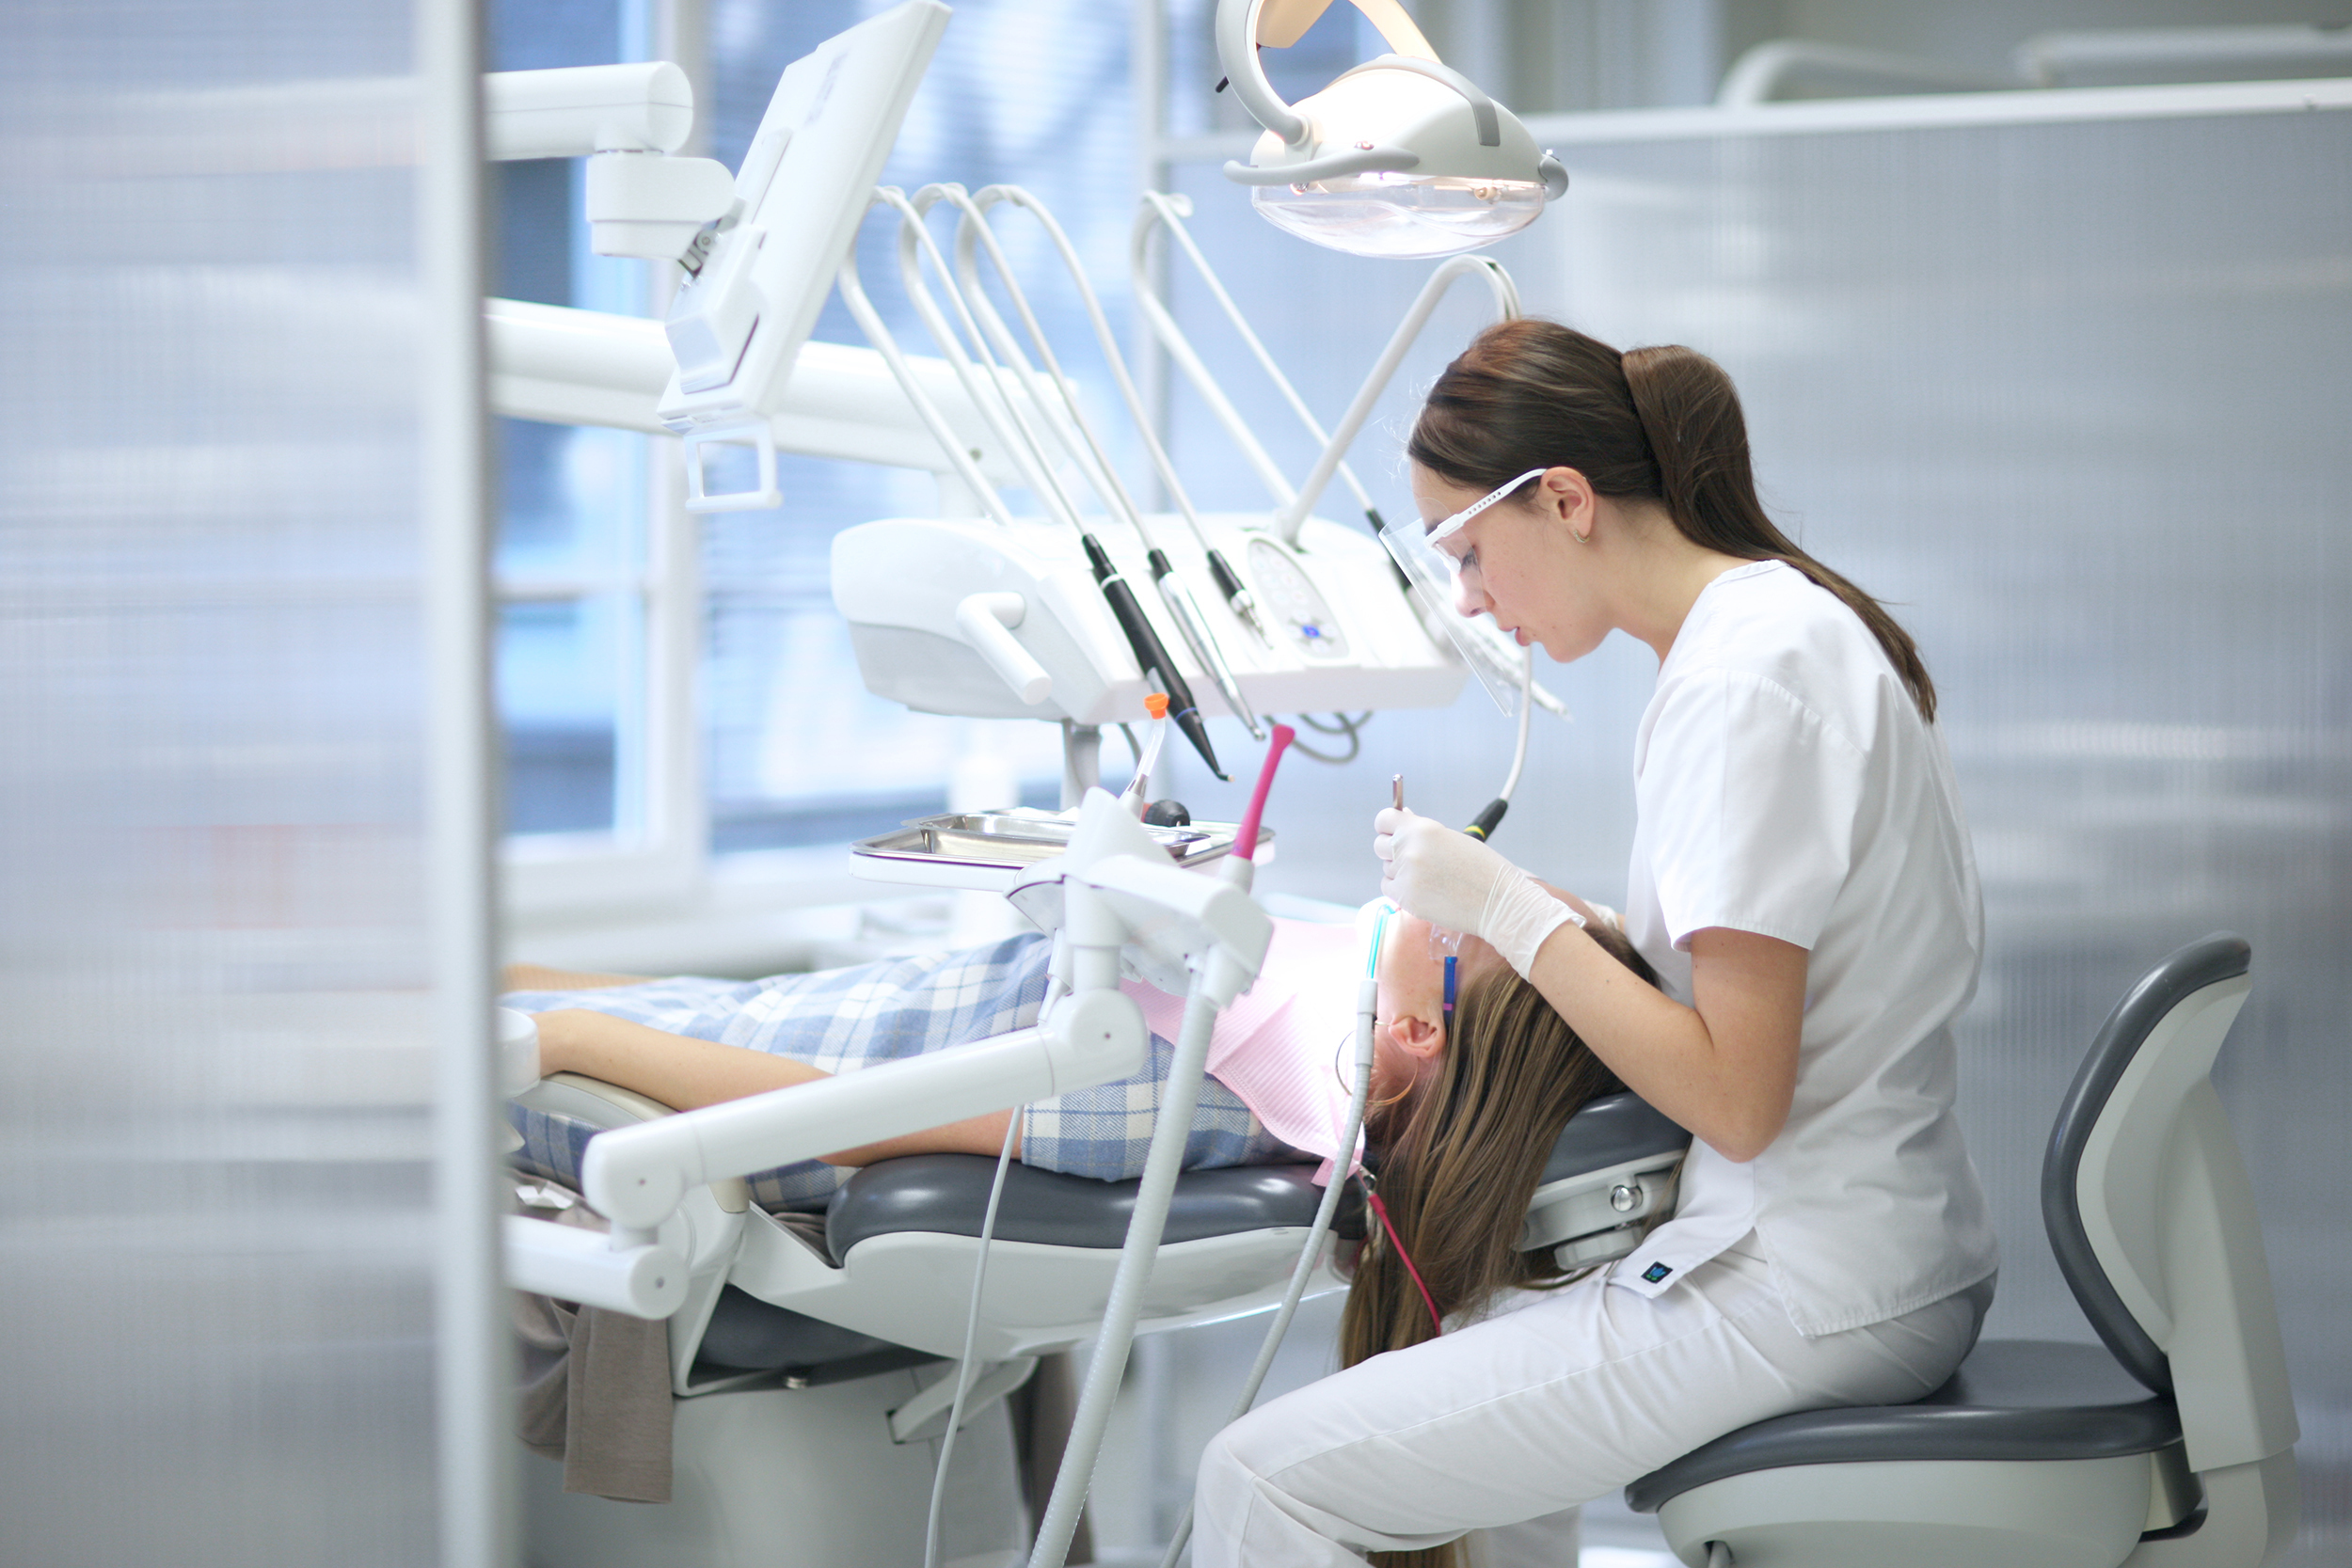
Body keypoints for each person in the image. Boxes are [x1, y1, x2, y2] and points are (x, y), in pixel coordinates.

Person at [1192, 319, 1999, 1568]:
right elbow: (1775, 964)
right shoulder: (1761, 637)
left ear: (1564, 500)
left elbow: (1734, 1093)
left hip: (1813, 1278)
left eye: (1467, 550)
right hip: (1864, 1244)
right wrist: (1553, 914)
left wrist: (1512, 911)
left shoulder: (1743, 681)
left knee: (1262, 1477)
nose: (1467, 596)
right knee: (1481, 1335)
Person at [500, 903, 1651, 1214]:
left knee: (437, 1032)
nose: (1442, 896)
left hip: (689, 1100)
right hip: (789, 1016)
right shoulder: (1303, 1001)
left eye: (1470, 916)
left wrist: (576, 1041)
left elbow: (844, 1117)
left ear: (1419, 1028)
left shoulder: (1182, 1088)